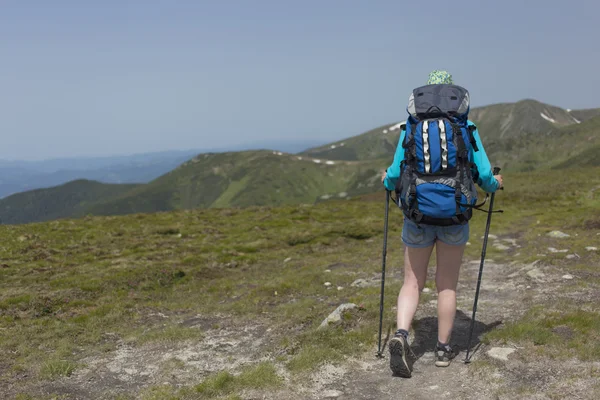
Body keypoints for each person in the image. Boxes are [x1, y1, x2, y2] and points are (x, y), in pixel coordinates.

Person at [380, 70, 503, 377]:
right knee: (446, 285)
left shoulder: (411, 126)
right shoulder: (465, 127)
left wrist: (387, 181)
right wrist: (495, 184)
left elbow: (395, 174)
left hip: (417, 214)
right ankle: (443, 350)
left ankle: (402, 335)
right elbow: (484, 176)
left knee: (412, 282)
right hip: (455, 214)